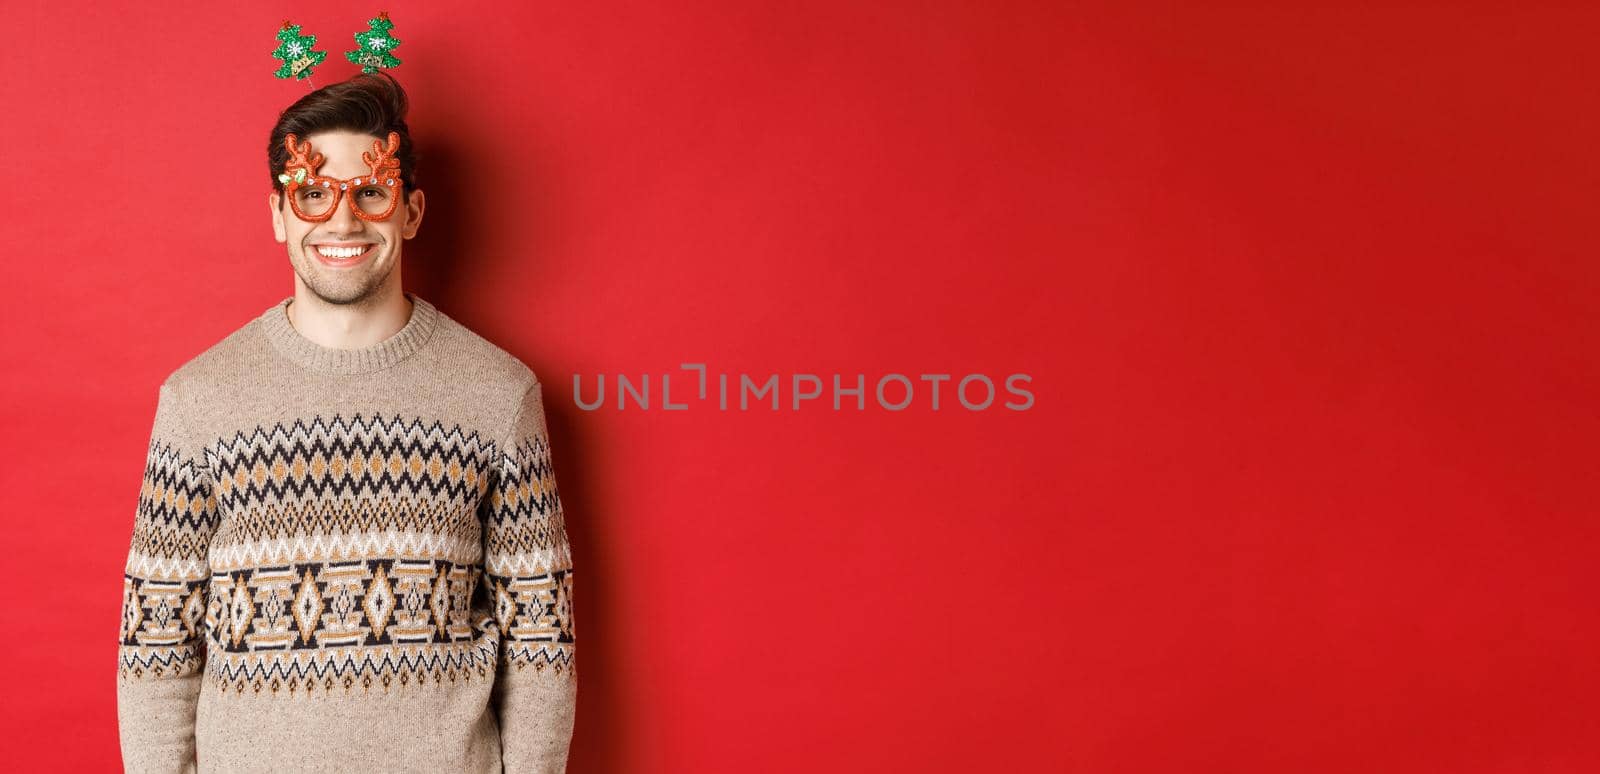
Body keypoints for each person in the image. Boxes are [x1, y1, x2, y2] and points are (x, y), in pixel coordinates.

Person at [115, 71, 577, 773]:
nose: (341, 221)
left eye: (370, 192)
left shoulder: (499, 395)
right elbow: (155, 647)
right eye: (312, 194)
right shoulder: (197, 401)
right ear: (278, 213)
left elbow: (542, 636)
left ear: (411, 211)